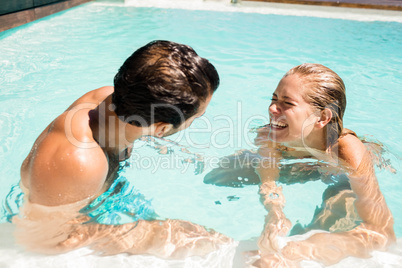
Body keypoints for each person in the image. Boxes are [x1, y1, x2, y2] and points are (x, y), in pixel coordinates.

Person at [15, 40, 231, 258]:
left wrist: (167, 146)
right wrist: (151, 234)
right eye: (196, 118)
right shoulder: (79, 160)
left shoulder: (112, 99)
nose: (196, 121)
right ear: (161, 127)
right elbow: (39, 241)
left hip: (96, 191)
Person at [205, 63, 395, 266]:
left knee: (333, 212)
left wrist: (306, 247)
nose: (272, 109)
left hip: (338, 174)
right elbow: (268, 182)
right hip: (303, 164)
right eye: (273, 99)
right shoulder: (269, 135)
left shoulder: (347, 151)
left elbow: (382, 230)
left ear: (323, 117)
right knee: (221, 174)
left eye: (287, 103)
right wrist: (274, 214)